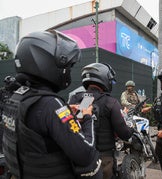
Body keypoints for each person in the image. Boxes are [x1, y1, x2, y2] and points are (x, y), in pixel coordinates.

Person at [2, 30, 102, 178]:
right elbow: (86, 154)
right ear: (46, 63)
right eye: (67, 67)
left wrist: (67, 111)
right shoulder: (51, 104)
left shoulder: (16, 97)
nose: (68, 72)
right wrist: (87, 116)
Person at [68, 62, 134, 179]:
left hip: (78, 160)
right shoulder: (110, 102)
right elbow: (124, 133)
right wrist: (131, 128)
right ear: (104, 79)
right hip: (103, 161)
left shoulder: (77, 98)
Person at [0, 76, 21, 153]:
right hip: (5, 117)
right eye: (8, 83)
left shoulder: (18, 92)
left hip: (16, 117)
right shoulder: (2, 92)